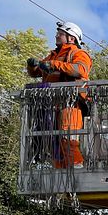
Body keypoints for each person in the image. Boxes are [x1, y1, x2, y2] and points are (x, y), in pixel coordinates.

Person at [27, 21, 92, 169]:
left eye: (60, 34)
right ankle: (61, 173)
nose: (57, 36)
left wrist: (54, 65)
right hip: (50, 105)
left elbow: (80, 70)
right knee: (52, 142)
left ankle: (77, 169)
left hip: (70, 103)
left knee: (67, 138)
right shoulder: (53, 55)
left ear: (72, 38)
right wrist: (32, 66)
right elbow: (36, 73)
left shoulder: (78, 53)